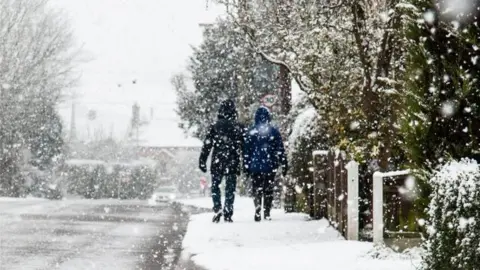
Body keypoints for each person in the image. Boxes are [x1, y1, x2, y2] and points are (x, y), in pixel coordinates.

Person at [199, 99, 243, 223]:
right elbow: (243, 146)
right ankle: (228, 210)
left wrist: (202, 160)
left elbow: (207, 145)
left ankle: (217, 208)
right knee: (230, 187)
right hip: (232, 161)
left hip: (217, 160)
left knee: (215, 186)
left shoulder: (215, 127)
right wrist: (245, 163)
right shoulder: (237, 127)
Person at [243, 106, 288, 222]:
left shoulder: (252, 131)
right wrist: (284, 163)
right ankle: (266, 211)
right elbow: (280, 149)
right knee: (268, 189)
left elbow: (246, 151)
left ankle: (257, 206)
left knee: (256, 188)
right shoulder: (273, 131)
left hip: (255, 166)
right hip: (270, 165)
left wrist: (246, 166)